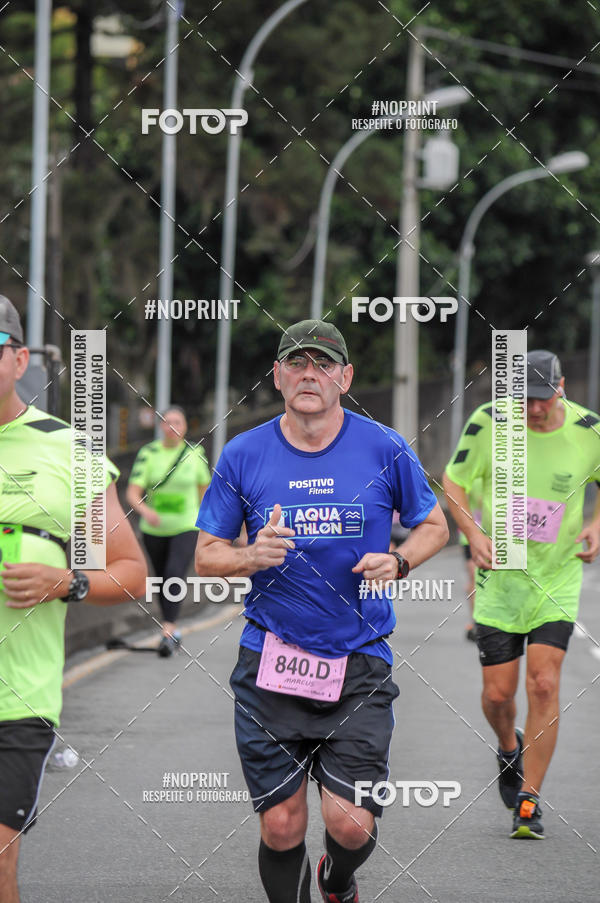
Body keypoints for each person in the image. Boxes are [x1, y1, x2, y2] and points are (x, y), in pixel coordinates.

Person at [195, 319, 448, 903]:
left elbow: (433, 526)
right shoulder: (243, 453)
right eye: (298, 363)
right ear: (278, 376)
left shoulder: (384, 447)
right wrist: (249, 555)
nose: (311, 374)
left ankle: (337, 881)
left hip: (358, 660)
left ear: (346, 377)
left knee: (350, 824)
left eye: (324, 364)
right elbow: (206, 555)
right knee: (281, 824)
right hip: (271, 660)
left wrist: (401, 563)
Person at [0, 295, 147, 903]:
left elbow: (131, 573)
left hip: (18, 698)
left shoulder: (66, 450)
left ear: (19, 360)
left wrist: (67, 582)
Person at [443, 350, 600, 839]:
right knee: (497, 696)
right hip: (501, 579)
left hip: (557, 576)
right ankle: (508, 747)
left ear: (562, 387)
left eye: (542, 397)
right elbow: (454, 482)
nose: (532, 409)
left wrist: (597, 525)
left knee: (544, 684)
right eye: (524, 399)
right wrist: (474, 534)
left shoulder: (590, 428)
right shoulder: (490, 422)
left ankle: (529, 800)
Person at [126, 407, 211, 656]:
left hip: (186, 525)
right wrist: (146, 512)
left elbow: (204, 491)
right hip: (154, 528)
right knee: (162, 579)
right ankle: (170, 628)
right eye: (167, 422)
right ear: (161, 426)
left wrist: (208, 524)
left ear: (185, 426)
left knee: (174, 573)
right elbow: (132, 493)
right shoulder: (148, 453)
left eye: (177, 421)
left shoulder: (196, 453)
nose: (172, 426)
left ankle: (167, 629)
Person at [457, 476, 483, 641]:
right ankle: (476, 623)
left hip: (497, 535)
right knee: (474, 577)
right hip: (471, 536)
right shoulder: (471, 478)